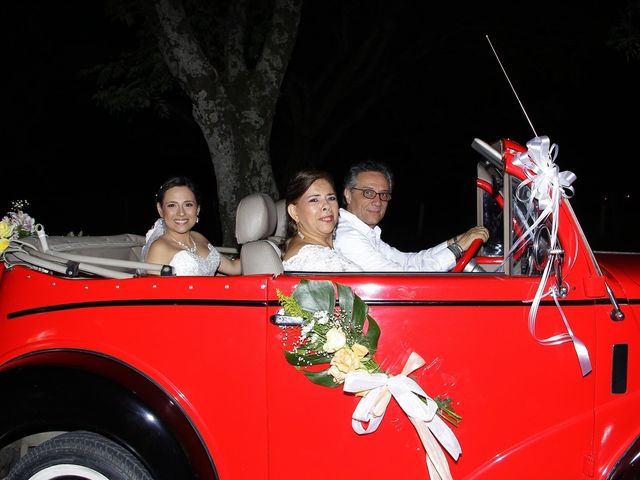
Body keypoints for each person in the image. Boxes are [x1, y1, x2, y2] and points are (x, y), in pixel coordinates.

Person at [334, 160, 489, 271]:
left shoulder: (364, 232)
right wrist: (458, 249)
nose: (377, 201)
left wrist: (456, 241)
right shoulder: (347, 235)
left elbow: (410, 261)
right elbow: (401, 278)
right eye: (368, 193)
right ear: (348, 194)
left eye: (384, 194)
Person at [142, 176, 241, 276]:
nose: (181, 213)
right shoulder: (159, 248)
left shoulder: (198, 237)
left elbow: (233, 267)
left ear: (197, 209)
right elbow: (154, 290)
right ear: (160, 210)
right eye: (172, 205)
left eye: (188, 205)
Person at [282, 169, 362, 272]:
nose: (326, 206)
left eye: (331, 198)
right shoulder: (312, 260)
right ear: (294, 212)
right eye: (314, 200)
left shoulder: (324, 250)